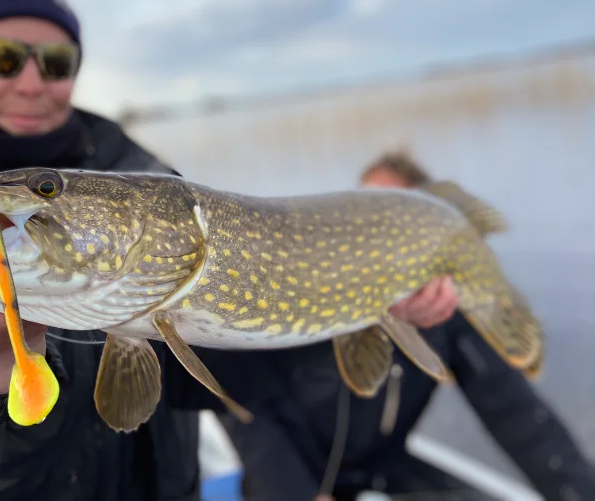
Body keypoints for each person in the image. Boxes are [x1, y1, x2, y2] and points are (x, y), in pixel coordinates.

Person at [0, 0, 458, 501]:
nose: (32, 80)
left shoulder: (145, 177)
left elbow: (234, 371)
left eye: (56, 61)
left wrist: (357, 303)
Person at [219, 150, 595, 501]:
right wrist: (293, 491)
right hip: (295, 468)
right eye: (360, 210)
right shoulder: (304, 293)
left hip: (383, 466)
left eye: (390, 216)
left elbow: (518, 414)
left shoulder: (447, 314)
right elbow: (241, 402)